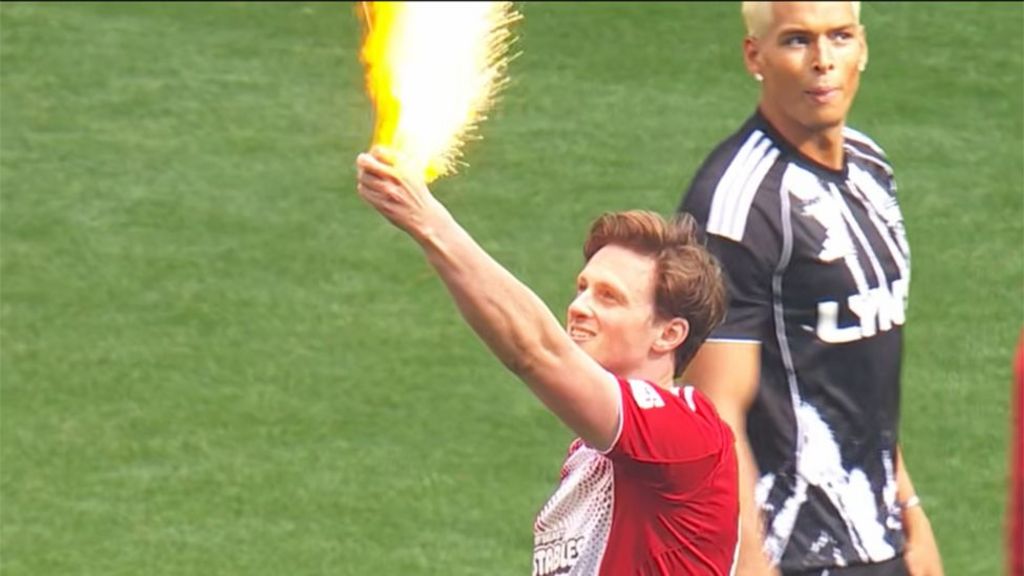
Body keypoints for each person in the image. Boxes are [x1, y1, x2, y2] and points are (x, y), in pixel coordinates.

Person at [355, 147, 738, 575]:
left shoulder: (689, 437)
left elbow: (535, 351)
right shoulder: (588, 458)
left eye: (609, 297)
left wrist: (429, 223)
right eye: (582, 288)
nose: (578, 307)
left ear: (669, 334)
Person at [677, 2, 944, 575]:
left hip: (879, 541)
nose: (823, 61)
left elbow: (856, 380)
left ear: (863, 48)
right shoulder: (737, 204)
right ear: (756, 56)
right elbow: (714, 412)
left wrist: (911, 518)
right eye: (797, 41)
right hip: (792, 555)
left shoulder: (872, 168)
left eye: (840, 37)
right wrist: (748, 561)